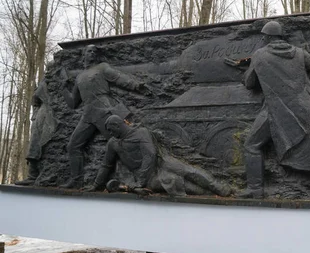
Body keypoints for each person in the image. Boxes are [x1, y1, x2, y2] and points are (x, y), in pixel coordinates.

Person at [240, 20, 310, 198]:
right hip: (301, 104)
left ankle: (255, 189)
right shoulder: (299, 52)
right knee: (309, 142)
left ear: (268, 37)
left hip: (275, 108)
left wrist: (247, 71)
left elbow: (249, 83)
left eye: (264, 37)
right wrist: (305, 86)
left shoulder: (260, 55)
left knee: (252, 145)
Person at [83, 115, 231, 197]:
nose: (110, 133)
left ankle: (219, 188)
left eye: (111, 129)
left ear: (117, 125)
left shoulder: (141, 133)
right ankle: (208, 193)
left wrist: (140, 179)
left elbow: (150, 155)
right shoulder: (113, 143)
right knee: (178, 183)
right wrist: (97, 185)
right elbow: (106, 165)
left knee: (187, 170)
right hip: (148, 177)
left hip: (160, 163)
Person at [61, 44, 145, 189]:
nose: (92, 53)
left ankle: (138, 177)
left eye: (95, 51)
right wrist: (63, 88)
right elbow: (73, 103)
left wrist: (137, 85)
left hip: (105, 112)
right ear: (84, 55)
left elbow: (119, 78)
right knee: (73, 146)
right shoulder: (80, 77)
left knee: (119, 145)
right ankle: (77, 180)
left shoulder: (102, 67)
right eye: (89, 51)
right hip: (88, 115)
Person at [15, 79, 58, 186]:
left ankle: (33, 176)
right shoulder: (45, 84)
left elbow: (37, 97)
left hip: (46, 116)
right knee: (35, 143)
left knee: (36, 143)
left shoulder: (45, 86)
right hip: (43, 114)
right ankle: (33, 175)